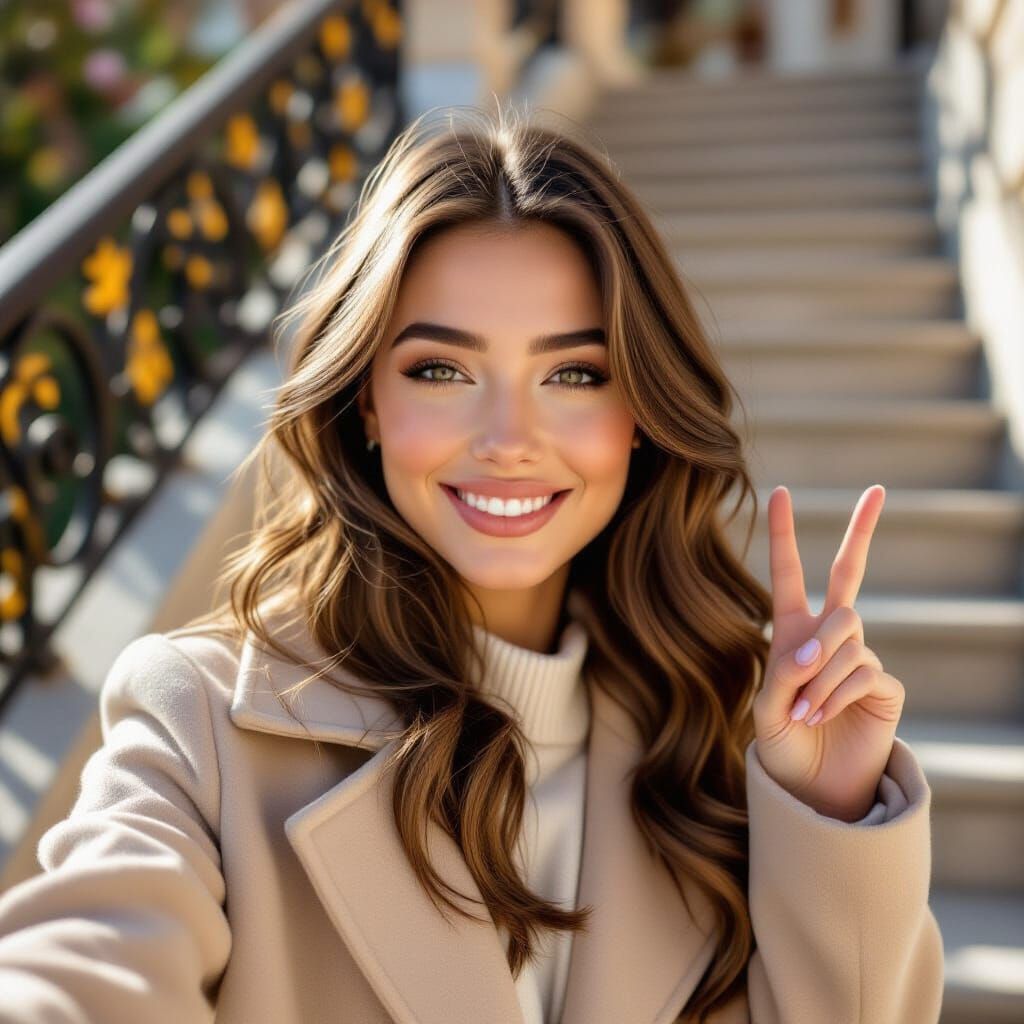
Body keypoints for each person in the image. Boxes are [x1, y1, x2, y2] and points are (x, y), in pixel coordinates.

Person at [0, 101, 944, 1023]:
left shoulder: (724, 743)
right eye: (441, 371)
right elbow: (86, 961)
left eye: (574, 373)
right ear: (365, 401)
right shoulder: (201, 723)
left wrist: (829, 816)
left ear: (643, 416)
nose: (509, 439)